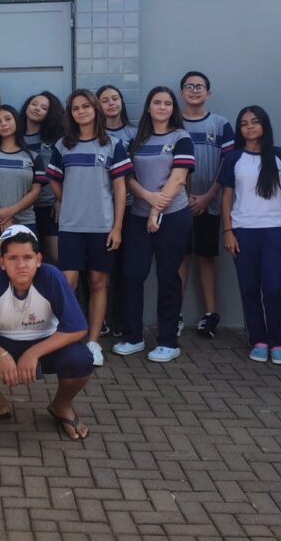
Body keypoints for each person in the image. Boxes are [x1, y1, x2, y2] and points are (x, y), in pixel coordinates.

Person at [0, 225, 93, 440]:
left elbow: (78, 328)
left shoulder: (52, 278)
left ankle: (61, 406)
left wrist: (34, 353)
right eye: (13, 258)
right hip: (1, 341)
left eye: (27, 257)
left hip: (44, 343)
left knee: (81, 359)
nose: (21, 265)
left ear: (39, 259)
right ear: (2, 262)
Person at [47, 89, 132, 369]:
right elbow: (55, 182)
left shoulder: (113, 145)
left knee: (98, 283)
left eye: (86, 106)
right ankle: (66, 338)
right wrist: (68, 200)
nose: (81, 111)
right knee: (67, 283)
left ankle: (93, 343)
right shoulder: (63, 146)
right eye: (75, 108)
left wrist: (117, 227)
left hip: (102, 226)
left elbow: (120, 189)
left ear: (96, 109)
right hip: (71, 225)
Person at [114, 87, 195, 363]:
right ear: (148, 107)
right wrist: (148, 200)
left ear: (173, 108)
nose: (162, 107)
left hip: (173, 215)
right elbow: (127, 178)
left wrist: (156, 211)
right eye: (157, 102)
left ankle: (168, 341)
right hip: (138, 215)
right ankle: (133, 337)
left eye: (168, 103)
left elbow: (178, 178)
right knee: (133, 275)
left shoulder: (181, 138)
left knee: (168, 276)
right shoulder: (137, 141)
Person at [219, 106, 281, 366]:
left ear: (264, 125)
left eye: (255, 122)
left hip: (275, 230)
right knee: (249, 287)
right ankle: (258, 339)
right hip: (243, 231)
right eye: (244, 124)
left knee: (275, 288)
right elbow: (226, 198)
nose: (250, 127)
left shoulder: (280, 156)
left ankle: (277, 341)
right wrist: (228, 231)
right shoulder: (234, 158)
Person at [178, 71, 235, 339]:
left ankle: (211, 314)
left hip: (209, 204)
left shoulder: (221, 125)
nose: (194, 90)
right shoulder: (175, 124)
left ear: (208, 93)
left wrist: (208, 196)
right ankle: (174, 315)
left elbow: (228, 164)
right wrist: (185, 195)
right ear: (182, 93)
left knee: (206, 258)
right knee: (179, 258)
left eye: (200, 87)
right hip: (179, 204)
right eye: (189, 86)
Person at [0, 105, 46, 274]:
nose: (3, 124)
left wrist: (10, 212)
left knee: (24, 270)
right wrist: (1, 216)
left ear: (17, 122)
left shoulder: (33, 157)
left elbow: (35, 191)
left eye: (7, 119)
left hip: (24, 221)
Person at [96, 84, 136, 338]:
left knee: (126, 268)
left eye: (115, 98)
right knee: (99, 271)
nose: (111, 103)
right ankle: (100, 321)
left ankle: (121, 320)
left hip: (131, 207)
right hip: (99, 210)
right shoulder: (93, 134)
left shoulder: (135, 133)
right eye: (105, 100)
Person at [21, 92, 66, 265]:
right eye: (34, 104)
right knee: (28, 259)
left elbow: (65, 171)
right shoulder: (15, 137)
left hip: (49, 206)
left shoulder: (55, 139)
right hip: (22, 208)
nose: (37, 109)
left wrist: (60, 199)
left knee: (55, 257)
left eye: (44, 107)